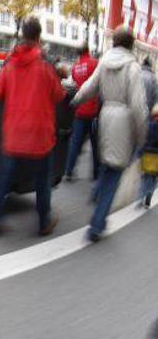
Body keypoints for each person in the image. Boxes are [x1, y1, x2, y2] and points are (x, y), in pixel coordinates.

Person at [0, 17, 66, 236]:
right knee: (42, 180)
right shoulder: (46, 66)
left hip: (14, 133)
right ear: (39, 37)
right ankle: (43, 222)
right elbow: (59, 95)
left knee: (4, 178)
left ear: (23, 34)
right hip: (40, 135)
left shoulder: (11, 64)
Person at [71, 26, 147, 242]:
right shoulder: (133, 68)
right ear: (131, 44)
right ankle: (96, 225)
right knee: (114, 173)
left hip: (105, 116)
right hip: (123, 120)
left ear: (114, 42)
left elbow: (89, 88)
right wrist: (141, 136)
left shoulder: (104, 61)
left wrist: (75, 100)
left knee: (106, 164)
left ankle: (97, 194)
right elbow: (139, 105)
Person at [64, 45, 100, 181]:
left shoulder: (75, 67)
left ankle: (69, 171)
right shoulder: (95, 63)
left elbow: (74, 86)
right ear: (88, 51)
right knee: (95, 145)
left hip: (79, 110)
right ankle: (96, 173)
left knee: (75, 143)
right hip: (93, 111)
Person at [140, 58, 158, 206]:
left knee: (146, 174)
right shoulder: (153, 79)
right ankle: (148, 196)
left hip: (148, 153)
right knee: (153, 177)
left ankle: (142, 196)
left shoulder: (137, 74)